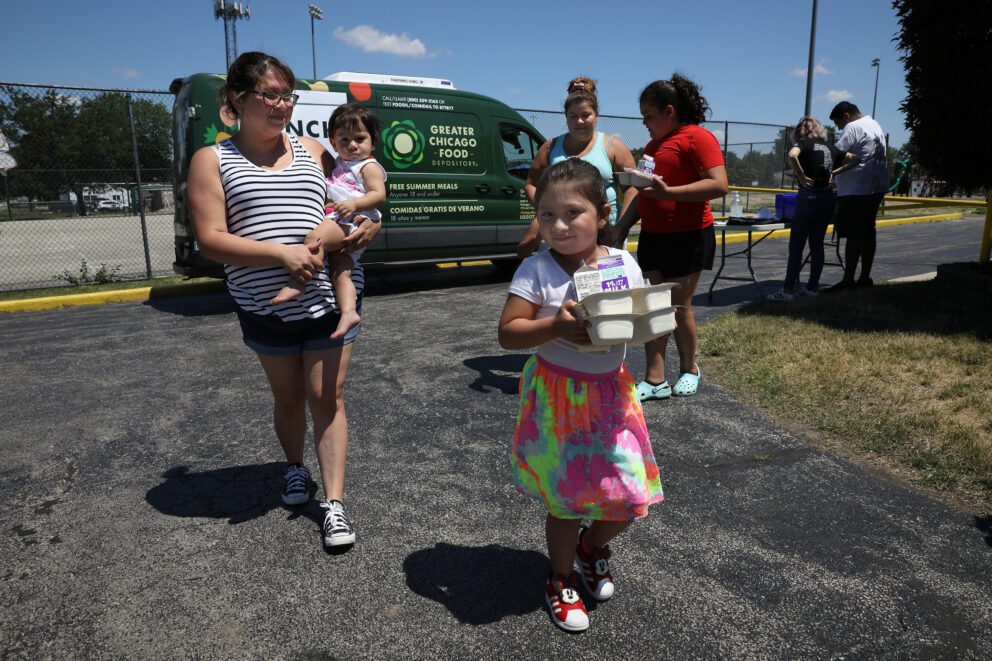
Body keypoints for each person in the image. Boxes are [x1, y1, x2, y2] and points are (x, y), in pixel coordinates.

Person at [187, 51, 380, 549]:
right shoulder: (213, 159)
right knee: (290, 399)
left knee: (327, 398)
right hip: (264, 305)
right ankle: (296, 469)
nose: (280, 105)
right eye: (268, 95)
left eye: (286, 95)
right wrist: (281, 256)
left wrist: (367, 227)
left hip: (327, 303)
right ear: (236, 99)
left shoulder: (316, 149)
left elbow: (353, 201)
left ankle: (334, 504)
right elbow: (210, 239)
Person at [498, 159, 664, 633]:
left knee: (631, 494)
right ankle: (561, 578)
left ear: (604, 213)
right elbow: (508, 334)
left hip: (611, 393)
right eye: (547, 215)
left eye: (572, 213)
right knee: (567, 501)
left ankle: (593, 549)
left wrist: (651, 319)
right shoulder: (537, 269)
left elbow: (636, 317)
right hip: (558, 397)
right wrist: (557, 326)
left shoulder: (622, 262)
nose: (559, 225)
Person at [613, 75, 728, 401]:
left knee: (678, 307)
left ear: (669, 111)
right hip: (654, 236)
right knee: (654, 307)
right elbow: (643, 193)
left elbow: (719, 184)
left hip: (689, 236)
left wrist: (670, 191)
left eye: (648, 116)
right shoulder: (652, 147)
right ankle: (655, 378)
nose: (645, 123)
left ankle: (690, 369)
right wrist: (622, 227)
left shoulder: (697, 138)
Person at [271, 103, 387, 343]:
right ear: (333, 142)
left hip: (351, 220)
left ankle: (299, 281)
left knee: (315, 240)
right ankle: (348, 312)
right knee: (340, 272)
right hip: (343, 219)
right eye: (344, 140)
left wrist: (356, 205)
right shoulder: (340, 164)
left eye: (359, 138)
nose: (352, 145)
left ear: (373, 142)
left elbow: (379, 195)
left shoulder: (368, 166)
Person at [517, 77, 637, 258]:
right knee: (560, 282)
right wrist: (547, 211)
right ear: (566, 119)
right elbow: (531, 184)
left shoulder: (613, 147)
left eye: (585, 115)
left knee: (607, 284)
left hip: (606, 234)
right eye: (573, 116)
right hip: (562, 233)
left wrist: (621, 226)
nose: (579, 121)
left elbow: (632, 187)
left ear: (596, 116)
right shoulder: (550, 148)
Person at [769, 116, 852, 301]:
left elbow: (792, 155)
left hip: (809, 196)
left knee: (796, 246)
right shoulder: (831, 147)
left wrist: (801, 175)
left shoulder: (804, 144)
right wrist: (834, 173)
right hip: (827, 197)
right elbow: (855, 159)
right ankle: (812, 288)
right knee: (817, 245)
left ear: (800, 132)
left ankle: (787, 290)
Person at [826, 101, 889, 290]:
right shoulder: (874, 124)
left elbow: (835, 154)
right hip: (875, 187)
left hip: (856, 189)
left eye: (838, 123)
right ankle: (864, 278)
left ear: (846, 116)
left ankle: (848, 280)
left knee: (853, 235)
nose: (839, 127)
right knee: (868, 232)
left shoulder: (853, 127)